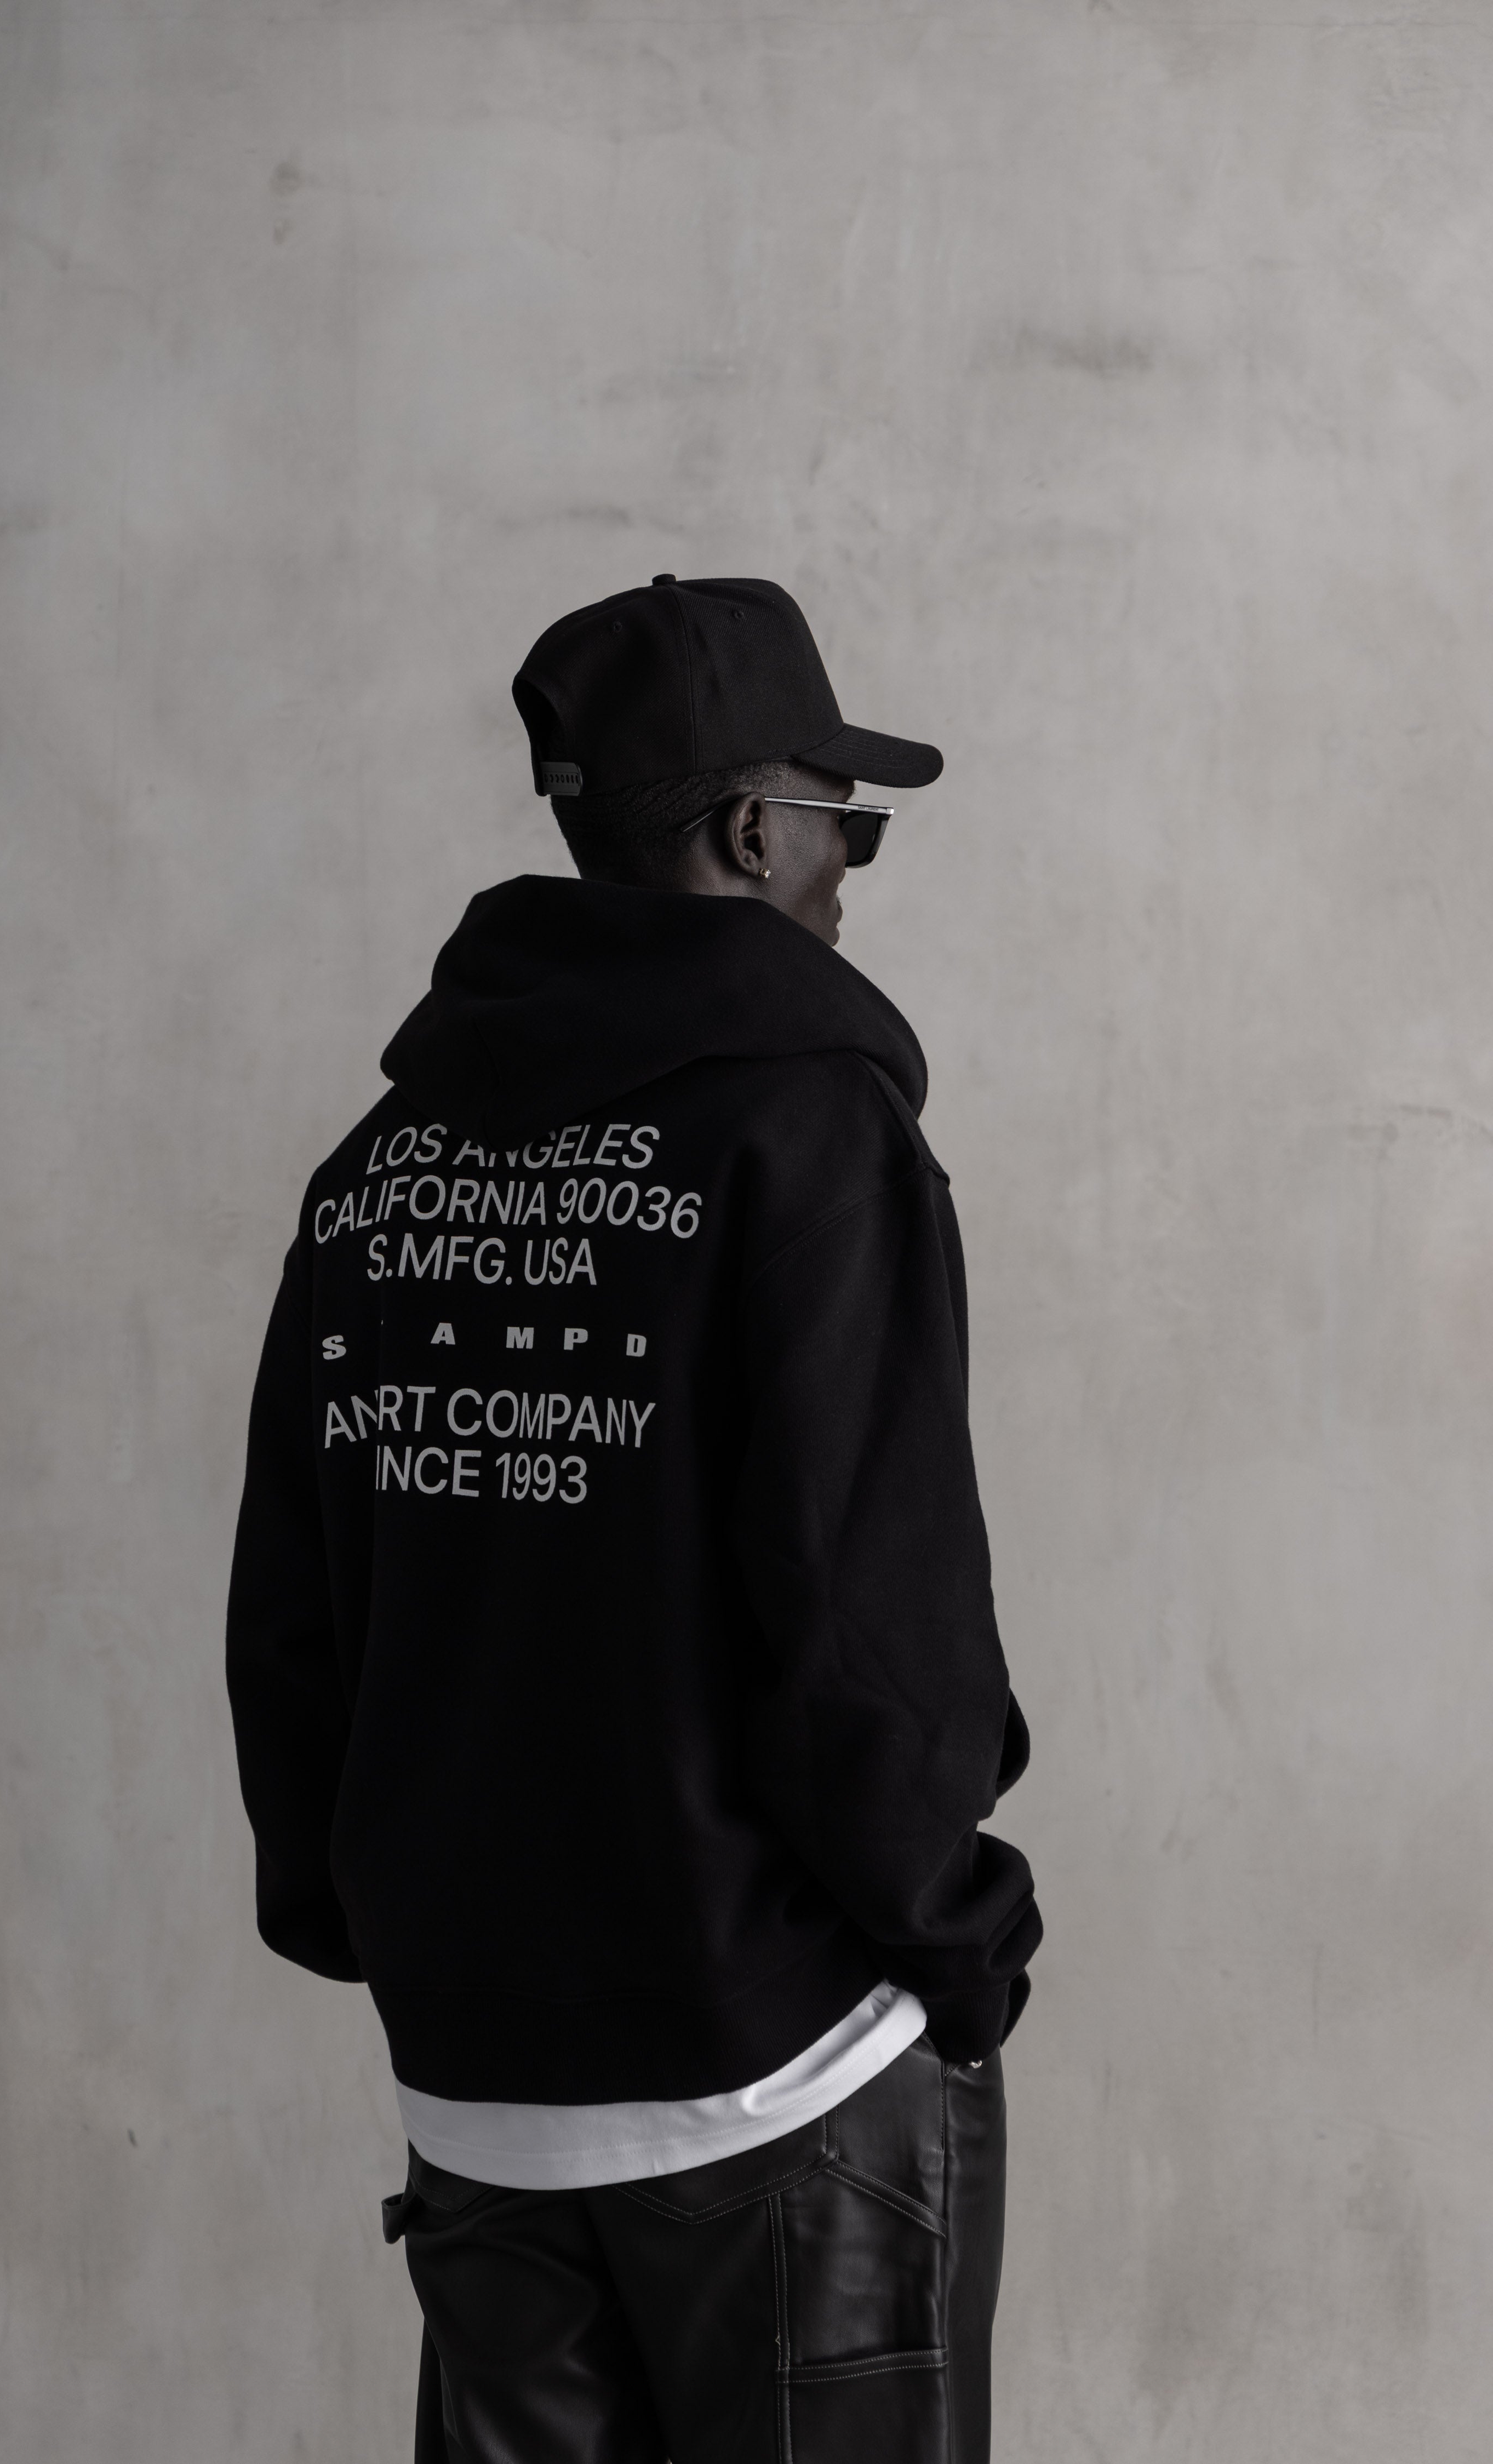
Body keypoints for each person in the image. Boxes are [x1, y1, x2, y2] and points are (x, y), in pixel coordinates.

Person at [226, 572, 1041, 2463]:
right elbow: (870, 1616)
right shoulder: (811, 1136)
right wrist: (959, 1944)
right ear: (752, 832)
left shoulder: (381, 1169)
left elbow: (296, 1603)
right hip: (782, 2078)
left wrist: (384, 1919)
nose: (849, 875)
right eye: (844, 825)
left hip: (481, 2092)